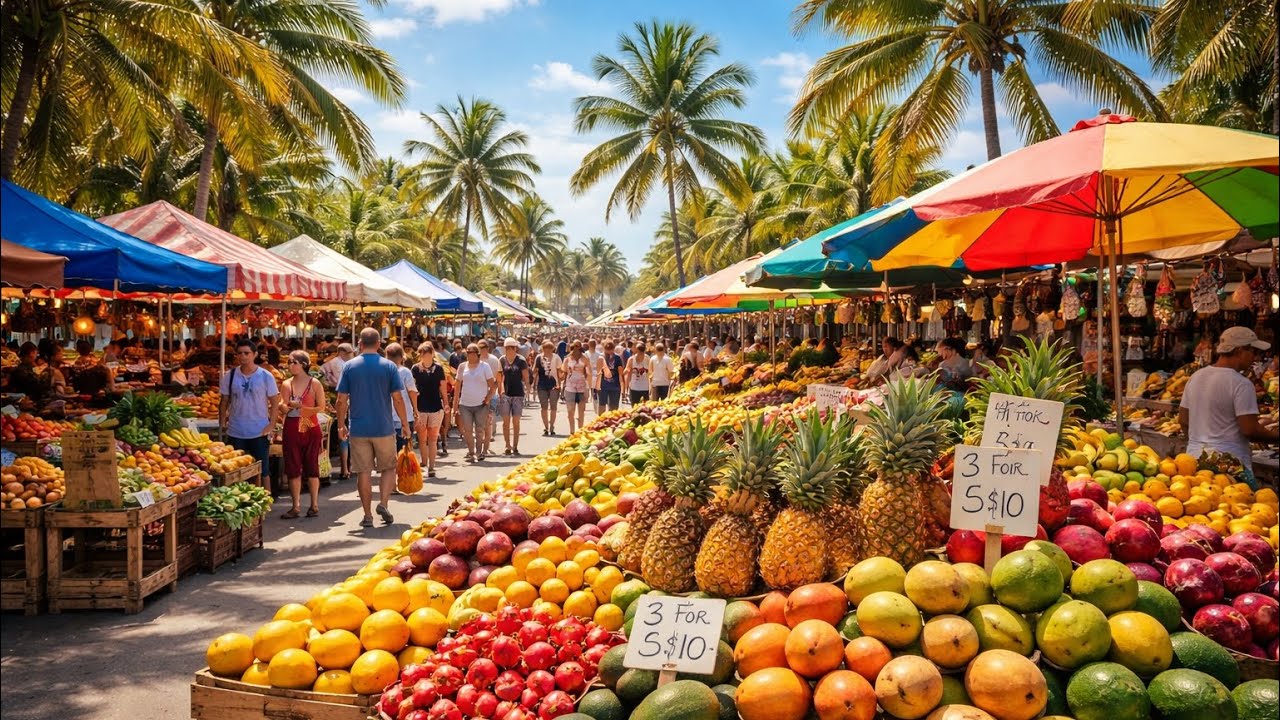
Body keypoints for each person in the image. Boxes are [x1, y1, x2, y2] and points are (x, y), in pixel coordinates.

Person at [335, 328, 411, 528]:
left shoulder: (349, 366)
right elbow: (397, 398)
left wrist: (341, 424)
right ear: (379, 344)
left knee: (363, 472)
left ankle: (367, 515)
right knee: (388, 467)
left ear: (360, 343)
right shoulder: (389, 366)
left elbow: (341, 400)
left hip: (358, 428)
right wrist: (405, 424)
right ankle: (384, 503)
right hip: (384, 427)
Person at [1178, 327, 1278, 473]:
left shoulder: (1196, 377)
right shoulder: (1241, 384)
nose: (1255, 358)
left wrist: (1201, 444)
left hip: (1193, 461)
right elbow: (1250, 430)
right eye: (1253, 352)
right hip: (1229, 465)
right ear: (1239, 351)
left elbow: (1183, 420)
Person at [219, 340, 279, 487]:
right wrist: (222, 423)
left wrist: (271, 425)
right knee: (236, 471)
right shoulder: (230, 375)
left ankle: (266, 501)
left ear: (255, 355)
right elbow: (224, 401)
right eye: (240, 353)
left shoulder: (266, 376)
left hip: (259, 431)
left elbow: (275, 402)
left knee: (263, 470)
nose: (243, 356)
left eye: (247, 353)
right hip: (236, 431)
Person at [279, 350, 325, 519]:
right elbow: (282, 405)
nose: (291, 365)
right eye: (289, 362)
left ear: (304, 365)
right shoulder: (286, 384)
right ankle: (295, 505)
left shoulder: (314, 384)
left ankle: (314, 504)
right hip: (291, 425)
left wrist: (302, 409)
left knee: (312, 465)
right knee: (293, 466)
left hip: (310, 425)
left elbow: (321, 407)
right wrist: (285, 407)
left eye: (294, 362)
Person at [454, 343, 497, 462]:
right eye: (468, 353)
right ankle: (471, 452)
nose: (470, 355)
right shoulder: (462, 367)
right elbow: (457, 386)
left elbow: (492, 386)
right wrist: (455, 405)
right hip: (465, 403)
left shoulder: (485, 367)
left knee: (479, 429)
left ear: (477, 354)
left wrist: (488, 398)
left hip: (481, 404)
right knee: (467, 429)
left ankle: (479, 452)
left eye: (472, 353)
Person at [412, 342, 448, 478]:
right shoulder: (415, 369)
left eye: (427, 353)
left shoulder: (438, 369)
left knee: (432, 439)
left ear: (432, 354)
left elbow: (443, 388)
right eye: (422, 354)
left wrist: (446, 403)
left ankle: (431, 466)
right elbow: (412, 389)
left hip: (435, 407)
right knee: (422, 439)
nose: (425, 356)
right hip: (420, 408)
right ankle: (424, 462)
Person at [498, 338, 530, 455]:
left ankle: (515, 445)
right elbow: (500, 378)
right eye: (507, 348)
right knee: (505, 421)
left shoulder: (521, 360)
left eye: (511, 347)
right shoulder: (502, 360)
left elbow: (525, 377)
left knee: (516, 421)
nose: (509, 350)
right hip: (506, 394)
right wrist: (500, 390)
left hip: (518, 394)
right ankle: (507, 445)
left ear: (515, 348)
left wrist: (528, 388)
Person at [386, 343, 417, 452]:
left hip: (386, 417)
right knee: (404, 451)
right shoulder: (405, 372)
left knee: (389, 451)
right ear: (401, 356)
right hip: (405, 415)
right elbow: (412, 392)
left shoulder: (383, 371)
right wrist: (416, 411)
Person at [477, 339, 502, 456]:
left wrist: (495, 391)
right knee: (478, 424)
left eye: (481, 349)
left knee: (488, 422)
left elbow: (498, 378)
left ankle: (485, 448)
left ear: (487, 349)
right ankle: (479, 447)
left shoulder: (494, 360)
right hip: (476, 395)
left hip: (491, 394)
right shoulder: (474, 360)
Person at [532, 341, 562, 435]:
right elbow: (534, 371)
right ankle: (546, 427)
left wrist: (560, 384)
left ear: (553, 349)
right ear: (543, 349)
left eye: (550, 349)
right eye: (546, 348)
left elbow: (559, 371)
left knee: (553, 407)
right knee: (544, 407)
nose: (547, 351)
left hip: (554, 384)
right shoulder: (538, 357)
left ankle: (552, 426)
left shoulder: (556, 358)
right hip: (542, 384)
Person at [561, 342, 591, 434]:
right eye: (574, 346)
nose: (576, 348)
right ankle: (572, 431)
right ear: (572, 348)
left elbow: (588, 373)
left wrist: (588, 388)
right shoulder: (567, 359)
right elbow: (563, 373)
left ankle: (580, 430)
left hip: (582, 387)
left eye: (578, 346)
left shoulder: (585, 359)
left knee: (581, 411)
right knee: (570, 411)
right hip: (570, 388)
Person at [597, 340, 623, 413]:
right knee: (604, 405)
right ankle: (603, 421)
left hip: (612, 385)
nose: (609, 352)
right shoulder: (601, 357)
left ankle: (608, 420)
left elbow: (620, 372)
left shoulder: (617, 358)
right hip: (606, 385)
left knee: (610, 406)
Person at [585, 339, 602, 409]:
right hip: (589, 372)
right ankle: (588, 400)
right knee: (588, 388)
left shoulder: (598, 354)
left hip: (595, 373)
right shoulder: (586, 354)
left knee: (593, 389)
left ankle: (593, 401)